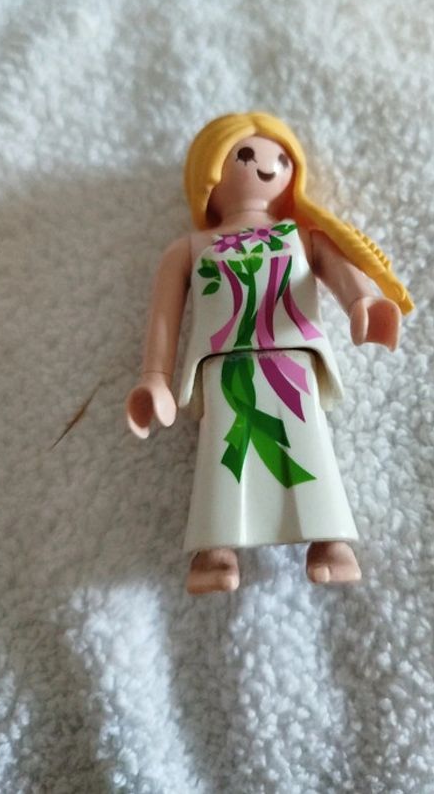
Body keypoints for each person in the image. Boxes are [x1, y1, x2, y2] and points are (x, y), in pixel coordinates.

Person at [126, 112, 413, 594]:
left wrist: (364, 303)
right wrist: (154, 378)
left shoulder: (301, 237)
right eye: (246, 155)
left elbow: (342, 275)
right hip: (224, 364)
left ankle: (329, 540)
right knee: (228, 450)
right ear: (210, 170)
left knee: (307, 444)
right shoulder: (190, 248)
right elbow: (164, 316)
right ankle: (216, 548)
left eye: (281, 159)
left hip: (292, 357)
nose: (266, 166)